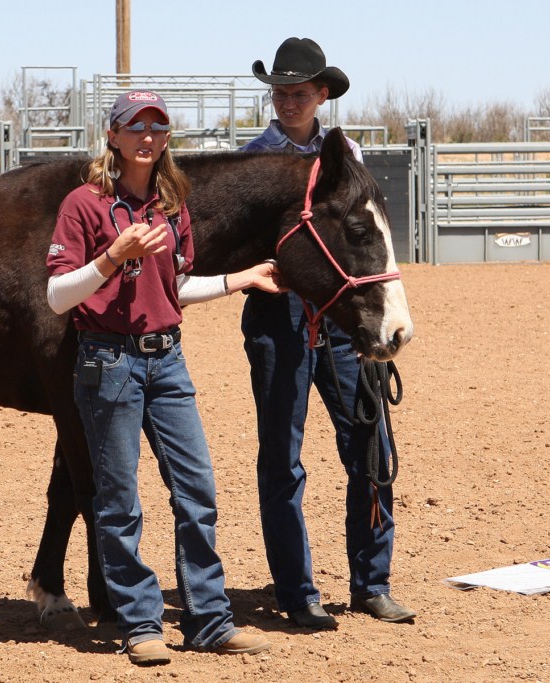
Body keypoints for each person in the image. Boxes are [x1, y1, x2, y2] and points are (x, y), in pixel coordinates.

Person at [46, 89, 279, 666]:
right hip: (108, 362)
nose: (147, 137)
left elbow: (174, 288)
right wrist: (111, 257)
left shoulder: (172, 205)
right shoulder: (83, 204)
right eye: (135, 127)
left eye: (158, 128)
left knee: (197, 491)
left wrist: (239, 278)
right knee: (120, 500)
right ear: (113, 137)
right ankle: (140, 623)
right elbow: (56, 297)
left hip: (167, 360)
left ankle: (208, 620)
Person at [239, 37, 416, 630]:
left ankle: (373, 582)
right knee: (282, 460)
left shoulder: (348, 157)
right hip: (279, 319)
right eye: (281, 93)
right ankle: (298, 591)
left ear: (322, 95)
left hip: (342, 321)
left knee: (369, 447)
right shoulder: (254, 160)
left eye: (300, 93)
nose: (289, 102)